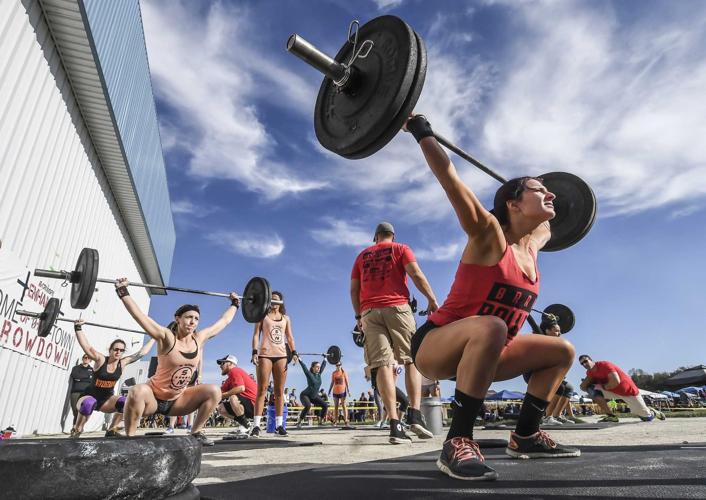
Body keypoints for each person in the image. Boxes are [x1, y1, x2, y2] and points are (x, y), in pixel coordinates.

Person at [404, 115, 580, 481]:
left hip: (491, 349)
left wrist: (545, 195)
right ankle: (457, 440)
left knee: (561, 350)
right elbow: (449, 179)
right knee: (493, 326)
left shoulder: (534, 244)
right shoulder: (488, 234)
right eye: (537, 189)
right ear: (513, 204)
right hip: (436, 345)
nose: (550, 195)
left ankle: (526, 435)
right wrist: (422, 132)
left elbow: (554, 219)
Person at [116, 278, 240, 446]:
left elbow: (223, 321)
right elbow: (139, 316)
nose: (192, 322)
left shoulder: (199, 339)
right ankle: (129, 440)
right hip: (153, 399)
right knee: (136, 391)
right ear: (178, 319)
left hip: (178, 401)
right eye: (189, 317)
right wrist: (123, 292)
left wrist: (234, 304)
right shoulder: (167, 337)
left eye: (196, 319)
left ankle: (195, 432)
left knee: (214, 391)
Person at [351, 221, 439, 444]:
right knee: (411, 360)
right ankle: (415, 416)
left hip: (369, 312)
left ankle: (394, 425)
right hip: (398, 307)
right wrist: (431, 299)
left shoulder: (361, 256)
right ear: (392, 235)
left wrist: (358, 316)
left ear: (375, 237)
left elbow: (354, 289)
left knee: (382, 364)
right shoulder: (401, 249)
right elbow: (416, 273)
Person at [70, 320, 155, 438]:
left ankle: (111, 430)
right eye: (116, 349)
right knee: (89, 403)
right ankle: (77, 430)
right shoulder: (100, 360)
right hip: (88, 397)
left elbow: (141, 353)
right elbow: (87, 347)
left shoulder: (123, 363)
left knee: (125, 402)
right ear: (110, 350)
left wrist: (154, 338)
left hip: (106, 400)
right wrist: (78, 328)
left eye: (121, 350)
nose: (118, 352)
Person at [251, 291, 297, 437]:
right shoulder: (262, 316)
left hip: (281, 355)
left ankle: (279, 426)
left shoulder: (286, 318)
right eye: (271, 299)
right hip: (265, 354)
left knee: (279, 391)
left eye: (276, 300)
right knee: (262, 389)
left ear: (281, 302)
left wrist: (294, 352)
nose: (274, 302)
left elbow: (289, 337)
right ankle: (256, 426)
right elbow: (255, 334)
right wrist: (254, 352)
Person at [525, 316, 585, 425]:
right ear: (547, 331)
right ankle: (548, 417)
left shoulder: (555, 344)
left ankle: (557, 415)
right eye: (557, 331)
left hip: (545, 373)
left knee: (568, 388)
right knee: (559, 387)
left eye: (560, 331)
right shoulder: (539, 336)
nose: (559, 334)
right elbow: (533, 324)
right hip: (533, 373)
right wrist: (528, 312)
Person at [579, 355, 665, 422]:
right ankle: (611, 416)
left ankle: (652, 411)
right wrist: (588, 382)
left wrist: (602, 386)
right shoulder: (590, 372)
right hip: (613, 391)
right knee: (591, 389)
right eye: (582, 364)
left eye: (586, 361)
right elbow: (583, 387)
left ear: (591, 359)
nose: (584, 364)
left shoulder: (604, 365)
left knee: (646, 418)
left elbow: (615, 382)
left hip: (628, 392)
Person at [216, 355, 257, 432]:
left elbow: (241, 388)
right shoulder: (229, 379)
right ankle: (245, 423)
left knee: (233, 397)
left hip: (255, 405)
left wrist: (222, 395)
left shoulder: (235, 370)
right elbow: (218, 393)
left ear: (230, 363)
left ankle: (245, 425)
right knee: (221, 408)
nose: (220, 366)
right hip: (247, 404)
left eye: (222, 363)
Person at [296, 357, 328, 427]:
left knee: (325, 405)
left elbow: (323, 366)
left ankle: (320, 421)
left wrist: (325, 358)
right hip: (305, 395)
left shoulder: (319, 374)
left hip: (314, 396)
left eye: (319, 367)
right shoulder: (309, 374)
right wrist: (299, 359)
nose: (318, 368)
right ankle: (299, 422)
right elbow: (304, 368)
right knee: (308, 406)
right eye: (317, 367)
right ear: (313, 367)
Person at [65, 354, 94, 430]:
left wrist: (81, 378)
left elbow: (92, 380)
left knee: (83, 411)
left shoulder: (92, 370)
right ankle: (78, 426)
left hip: (86, 394)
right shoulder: (76, 368)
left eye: (88, 358)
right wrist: (87, 377)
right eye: (85, 357)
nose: (86, 359)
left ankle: (76, 427)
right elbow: (75, 376)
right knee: (75, 409)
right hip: (75, 392)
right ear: (82, 358)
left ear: (90, 360)